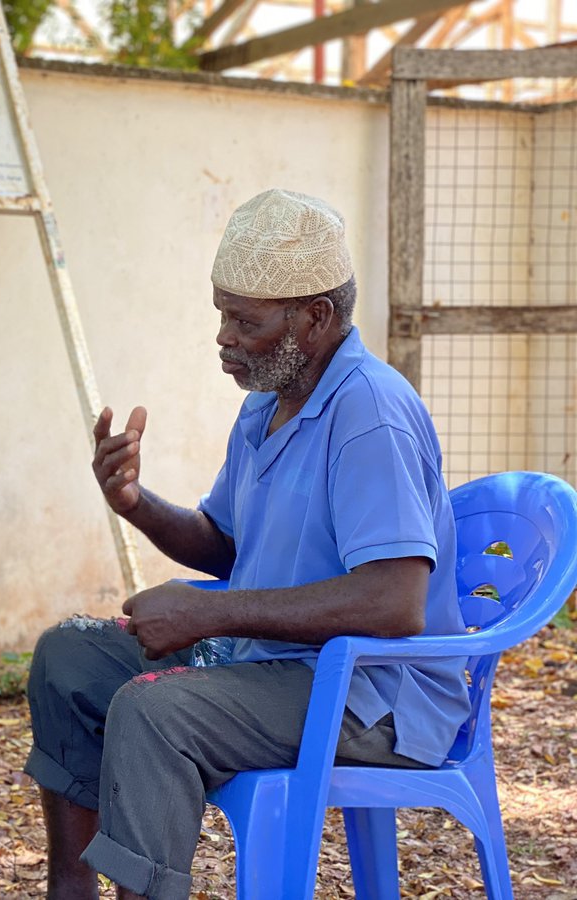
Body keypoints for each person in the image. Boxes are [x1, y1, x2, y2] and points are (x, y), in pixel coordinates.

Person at [25, 189, 470, 900]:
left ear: (315, 316)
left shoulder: (369, 413)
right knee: (70, 656)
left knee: (153, 709)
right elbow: (227, 546)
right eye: (221, 316)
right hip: (277, 665)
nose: (224, 338)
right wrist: (135, 504)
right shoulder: (266, 400)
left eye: (244, 320)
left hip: (370, 693)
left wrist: (215, 615)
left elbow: (396, 601)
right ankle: (70, 892)